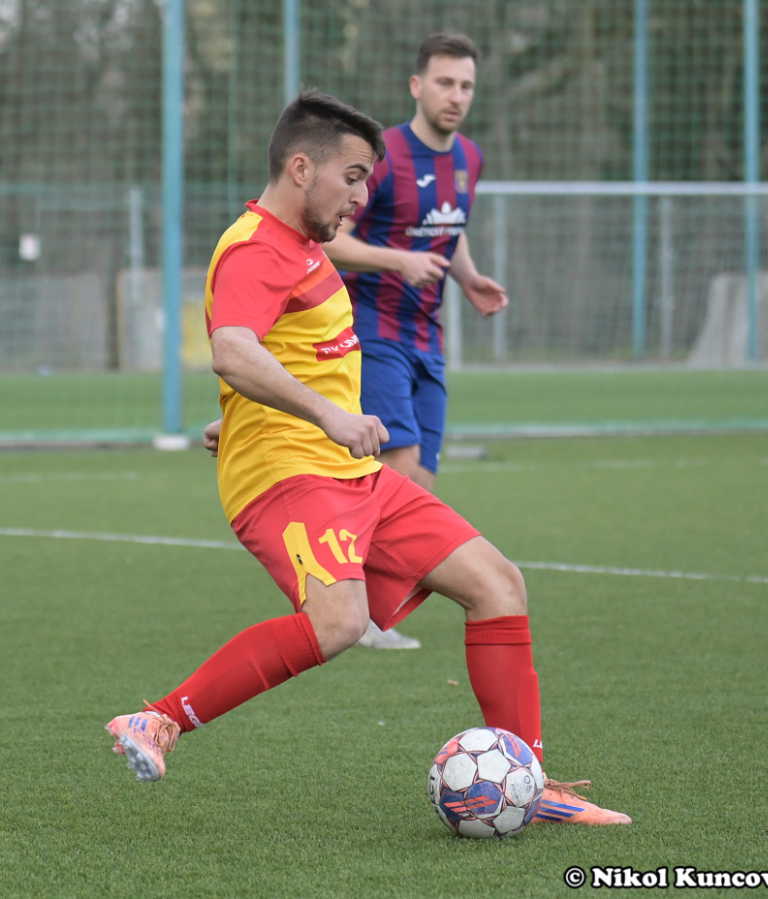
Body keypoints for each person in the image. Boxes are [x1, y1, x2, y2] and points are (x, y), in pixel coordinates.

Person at [104, 90, 628, 826]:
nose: (360, 196)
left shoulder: (303, 245)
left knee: (497, 583)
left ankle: (532, 784)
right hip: (291, 478)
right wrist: (324, 414)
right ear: (300, 168)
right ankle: (158, 719)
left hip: (348, 471)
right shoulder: (257, 247)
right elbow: (232, 348)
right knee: (338, 622)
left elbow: (280, 352)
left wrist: (249, 415)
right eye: (351, 177)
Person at [325, 33, 506, 652]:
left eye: (466, 85)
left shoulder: (470, 159)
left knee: (420, 480)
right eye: (445, 82)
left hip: (429, 336)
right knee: (398, 469)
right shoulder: (384, 159)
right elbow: (332, 238)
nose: (456, 95)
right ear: (417, 86)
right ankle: (361, 613)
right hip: (373, 328)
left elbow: (450, 229)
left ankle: (365, 604)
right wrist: (398, 261)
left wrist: (468, 277)